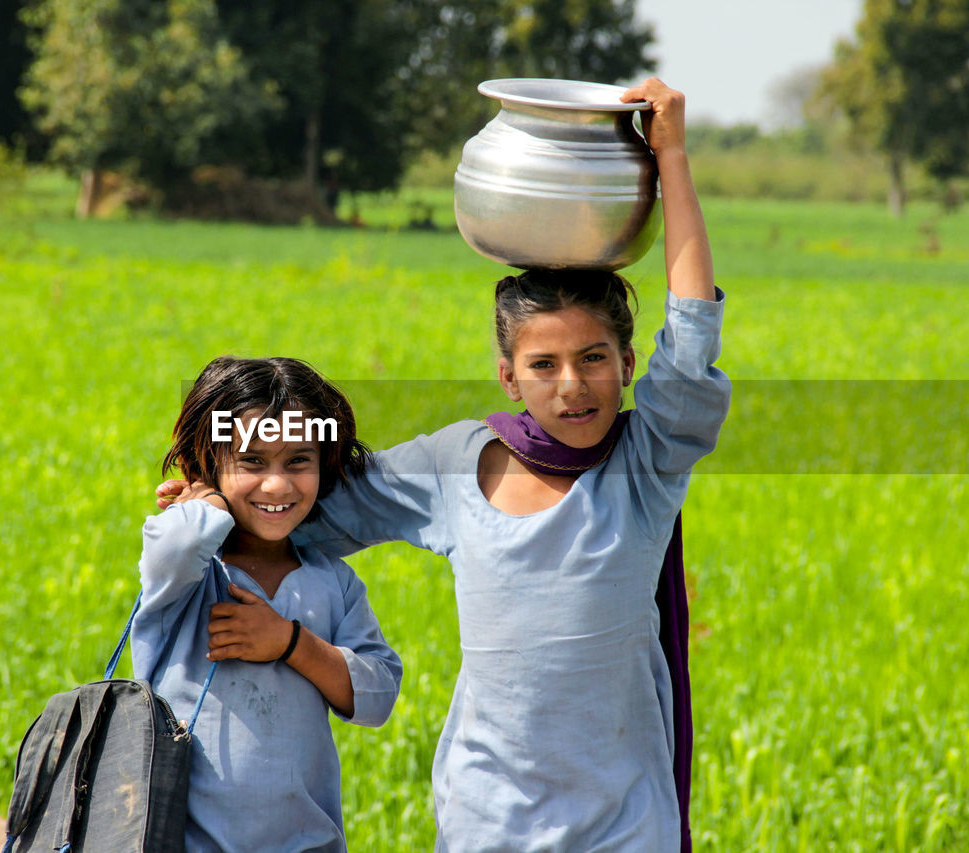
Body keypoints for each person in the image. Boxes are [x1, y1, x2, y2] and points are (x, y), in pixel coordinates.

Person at [253, 78, 727, 852]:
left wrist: (670, 155)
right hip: (486, 820)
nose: (572, 385)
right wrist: (217, 495)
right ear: (509, 377)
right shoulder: (455, 461)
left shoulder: (645, 465)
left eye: (594, 358)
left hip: (622, 824)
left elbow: (695, 328)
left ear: (630, 363)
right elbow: (308, 511)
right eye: (543, 364)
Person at [134, 355, 402, 853]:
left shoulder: (332, 582)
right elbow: (172, 545)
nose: (277, 485)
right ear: (209, 463)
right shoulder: (193, 574)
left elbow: (378, 694)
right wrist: (210, 499)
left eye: (298, 460)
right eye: (252, 461)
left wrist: (291, 642)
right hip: (185, 842)